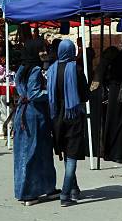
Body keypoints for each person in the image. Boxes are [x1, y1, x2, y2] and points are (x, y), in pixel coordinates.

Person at [13, 40, 58, 206]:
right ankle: (28, 193)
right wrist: (52, 93)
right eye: (40, 51)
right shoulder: (36, 70)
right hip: (34, 114)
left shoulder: (21, 69)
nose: (43, 53)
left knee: (37, 152)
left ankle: (46, 188)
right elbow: (34, 94)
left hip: (23, 113)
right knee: (32, 152)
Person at [47, 39, 90, 207]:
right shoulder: (77, 70)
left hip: (56, 116)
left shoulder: (51, 70)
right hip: (73, 116)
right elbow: (85, 96)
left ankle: (74, 188)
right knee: (72, 155)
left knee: (66, 152)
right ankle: (65, 193)